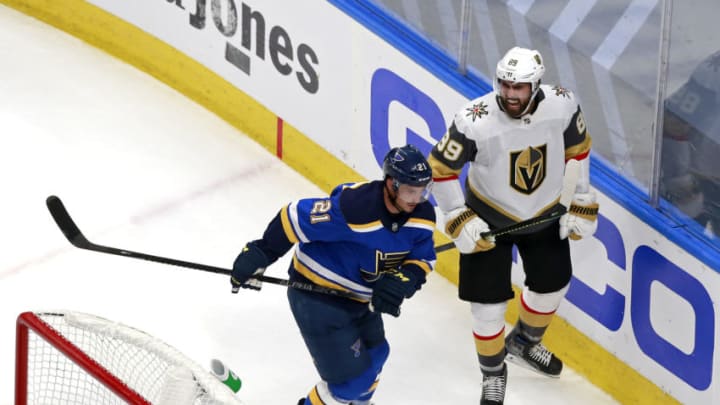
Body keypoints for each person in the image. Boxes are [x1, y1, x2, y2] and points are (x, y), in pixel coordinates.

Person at [427, 46, 598, 405]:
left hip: (544, 213)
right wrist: (458, 215)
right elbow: (441, 170)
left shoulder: (562, 104)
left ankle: (523, 343)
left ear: (535, 85)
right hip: (487, 217)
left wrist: (582, 197)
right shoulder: (474, 118)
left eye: (518, 87)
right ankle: (493, 373)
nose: (509, 93)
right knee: (486, 307)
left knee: (553, 286)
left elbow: (578, 150)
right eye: (505, 85)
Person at [230, 144, 436, 405]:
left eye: (423, 191)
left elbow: (423, 257)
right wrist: (262, 252)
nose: (416, 199)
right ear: (391, 184)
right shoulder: (355, 210)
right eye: (410, 191)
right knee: (351, 383)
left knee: (378, 353)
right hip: (316, 297)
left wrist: (404, 280)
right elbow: (292, 217)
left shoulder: (423, 217)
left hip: (360, 300)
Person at [661, 49, 720, 237]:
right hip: (704, 182)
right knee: (673, 240)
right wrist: (679, 182)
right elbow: (673, 122)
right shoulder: (713, 72)